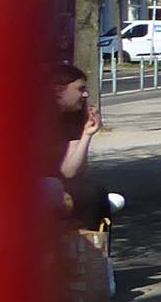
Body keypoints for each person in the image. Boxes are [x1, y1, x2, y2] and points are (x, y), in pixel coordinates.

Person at [51, 62, 120, 229]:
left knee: (94, 192)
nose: (85, 94)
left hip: (55, 183)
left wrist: (86, 135)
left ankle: (93, 249)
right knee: (87, 195)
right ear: (59, 90)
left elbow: (70, 171)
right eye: (80, 89)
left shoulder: (72, 119)